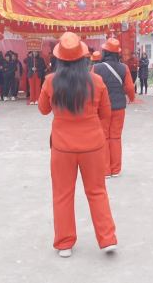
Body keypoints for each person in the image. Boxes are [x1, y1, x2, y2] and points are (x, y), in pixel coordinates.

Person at [38, 32, 117, 258]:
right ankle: (107, 239)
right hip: (93, 145)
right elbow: (106, 114)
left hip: (62, 148)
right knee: (97, 191)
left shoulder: (51, 81)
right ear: (84, 57)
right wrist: (94, 132)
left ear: (59, 59)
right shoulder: (97, 81)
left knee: (63, 194)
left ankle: (64, 243)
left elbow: (43, 110)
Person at [93, 38, 135, 177]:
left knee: (103, 137)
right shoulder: (124, 68)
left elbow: (92, 87)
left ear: (104, 52)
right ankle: (116, 169)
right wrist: (132, 98)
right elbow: (129, 87)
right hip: (119, 107)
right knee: (116, 137)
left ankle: (105, 170)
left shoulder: (97, 68)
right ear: (117, 53)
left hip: (102, 108)